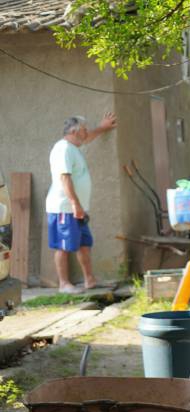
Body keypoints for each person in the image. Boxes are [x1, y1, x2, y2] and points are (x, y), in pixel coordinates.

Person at [46, 113, 117, 293]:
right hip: (64, 208)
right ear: (75, 131)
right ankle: (64, 284)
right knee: (63, 246)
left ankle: (90, 280)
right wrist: (75, 205)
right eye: (84, 130)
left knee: (84, 244)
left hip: (77, 208)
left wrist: (103, 127)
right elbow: (64, 178)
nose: (87, 133)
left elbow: (89, 138)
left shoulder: (73, 147)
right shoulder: (63, 149)